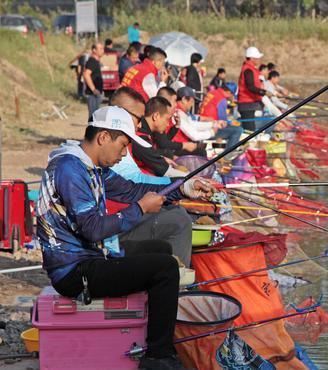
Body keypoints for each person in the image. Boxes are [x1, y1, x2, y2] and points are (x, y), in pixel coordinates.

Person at [37, 105, 218, 370]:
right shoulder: (69, 169)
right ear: (103, 138)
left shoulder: (92, 167)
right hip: (74, 272)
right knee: (165, 269)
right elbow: (93, 229)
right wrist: (140, 209)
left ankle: (144, 328)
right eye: (123, 145)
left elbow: (134, 189)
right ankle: (158, 356)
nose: (124, 154)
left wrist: (184, 187)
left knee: (160, 248)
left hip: (93, 258)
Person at [108, 87, 195, 267]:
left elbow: (135, 184)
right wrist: (180, 185)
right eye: (138, 119)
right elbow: (136, 184)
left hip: (121, 218)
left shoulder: (121, 144)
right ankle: (177, 283)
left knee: (177, 214)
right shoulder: (111, 149)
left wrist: (181, 187)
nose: (140, 125)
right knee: (180, 220)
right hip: (112, 232)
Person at [131, 97, 188, 178]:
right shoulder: (140, 137)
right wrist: (193, 178)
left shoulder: (145, 131)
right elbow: (165, 171)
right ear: (156, 116)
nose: (168, 124)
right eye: (167, 119)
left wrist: (161, 158)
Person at [155, 87, 203, 157]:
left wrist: (176, 127)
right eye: (174, 101)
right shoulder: (158, 115)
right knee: (200, 152)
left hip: (166, 152)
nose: (176, 104)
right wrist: (184, 146)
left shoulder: (165, 114)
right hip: (163, 154)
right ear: (165, 101)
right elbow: (162, 143)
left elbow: (165, 139)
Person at [237, 47, 271, 132]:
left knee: (251, 129)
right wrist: (264, 92)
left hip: (250, 104)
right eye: (257, 58)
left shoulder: (251, 69)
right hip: (246, 105)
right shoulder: (248, 69)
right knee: (249, 131)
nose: (259, 60)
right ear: (252, 58)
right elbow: (250, 86)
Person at [83, 43, 105, 119]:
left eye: (103, 48)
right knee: (93, 117)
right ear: (94, 50)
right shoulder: (92, 61)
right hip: (92, 94)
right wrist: (93, 89)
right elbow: (86, 74)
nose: (103, 50)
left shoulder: (96, 62)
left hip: (95, 94)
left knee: (96, 117)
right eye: (100, 49)